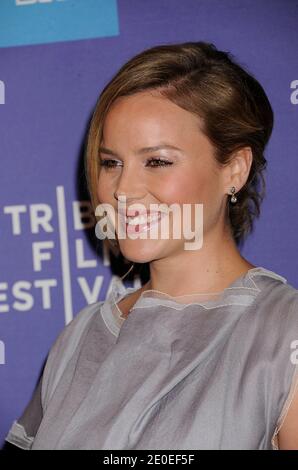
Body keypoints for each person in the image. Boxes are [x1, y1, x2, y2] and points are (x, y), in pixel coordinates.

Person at [4, 41, 298, 450]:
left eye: (157, 161)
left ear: (234, 168)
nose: (122, 189)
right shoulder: (80, 337)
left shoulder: (284, 333)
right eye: (111, 163)